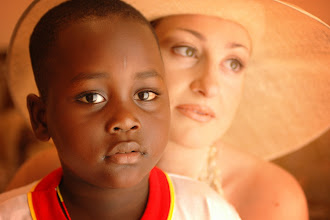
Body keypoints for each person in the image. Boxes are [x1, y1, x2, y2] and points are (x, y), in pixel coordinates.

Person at [5, 0, 330, 219]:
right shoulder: (41, 181)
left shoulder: (268, 198)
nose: (209, 85)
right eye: (185, 49)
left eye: (234, 62)